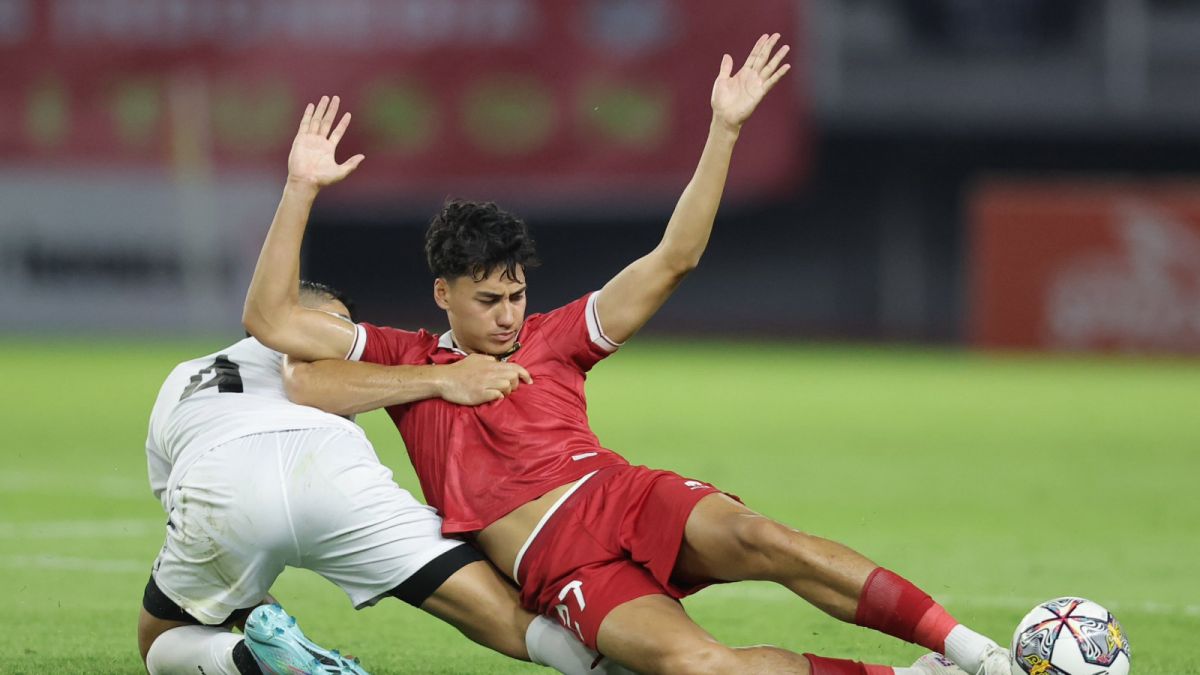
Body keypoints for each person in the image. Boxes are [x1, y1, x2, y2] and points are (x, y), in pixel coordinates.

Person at [245, 35, 1018, 675]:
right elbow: (272, 322)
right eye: (488, 300)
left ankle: (975, 652)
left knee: (768, 541)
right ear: (443, 292)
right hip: (559, 564)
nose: (508, 315)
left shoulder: (556, 336)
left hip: (622, 496)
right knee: (699, 666)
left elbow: (675, 258)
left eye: (516, 294)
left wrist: (725, 129)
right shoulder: (402, 358)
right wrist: (300, 190)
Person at [140, 282, 629, 674]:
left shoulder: (182, 376)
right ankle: (621, 666)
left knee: (163, 639)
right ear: (295, 321)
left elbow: (190, 513)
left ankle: (247, 661)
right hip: (338, 477)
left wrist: (252, 611)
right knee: (508, 616)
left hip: (218, 482)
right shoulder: (319, 355)